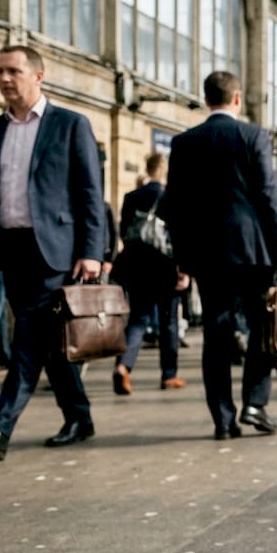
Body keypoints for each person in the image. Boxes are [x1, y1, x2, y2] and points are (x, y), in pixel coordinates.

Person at [0, 45, 106, 462]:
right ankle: (79, 416)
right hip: (10, 249)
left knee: (27, 341)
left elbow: (91, 193)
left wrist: (93, 251)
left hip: (56, 252)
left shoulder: (70, 125)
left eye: (13, 71)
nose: (4, 79)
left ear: (38, 76)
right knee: (49, 343)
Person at [161, 70, 277, 441]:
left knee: (216, 335)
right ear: (238, 99)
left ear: (206, 100)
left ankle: (222, 419)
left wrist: (182, 258)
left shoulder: (185, 142)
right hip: (253, 252)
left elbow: (173, 205)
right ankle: (255, 402)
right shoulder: (253, 135)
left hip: (207, 255)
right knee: (264, 328)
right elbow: (269, 197)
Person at [111, 151, 187, 394]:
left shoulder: (132, 196)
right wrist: (183, 268)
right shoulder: (171, 196)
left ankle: (123, 367)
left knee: (137, 318)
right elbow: (179, 235)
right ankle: (168, 374)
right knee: (169, 321)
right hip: (165, 266)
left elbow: (123, 232)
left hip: (136, 265)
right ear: (165, 170)